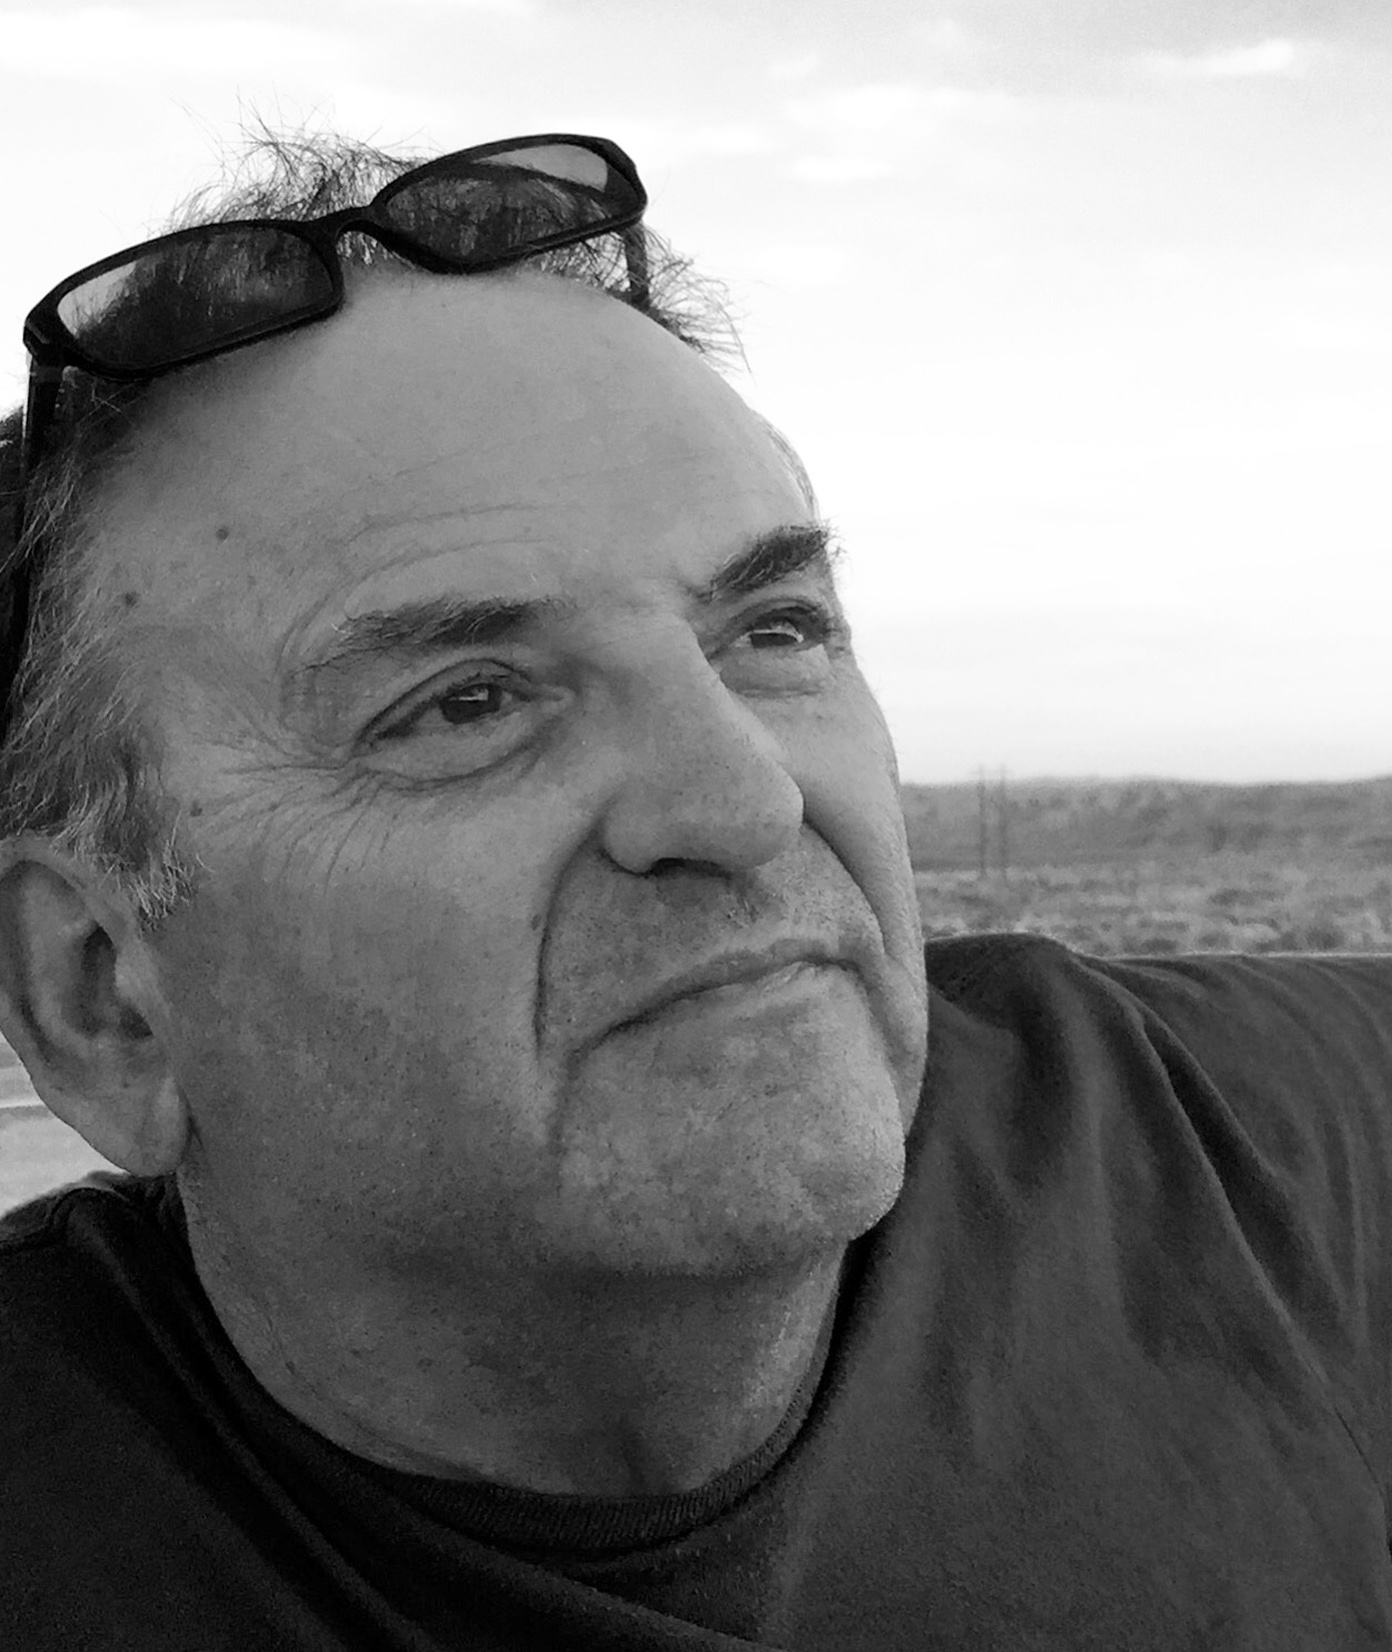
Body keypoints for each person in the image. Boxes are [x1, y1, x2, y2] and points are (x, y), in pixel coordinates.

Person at [0, 127, 1388, 1652]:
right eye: (467, 704)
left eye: (773, 631)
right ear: (103, 1000)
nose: (744, 802)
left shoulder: (1212, 1133)